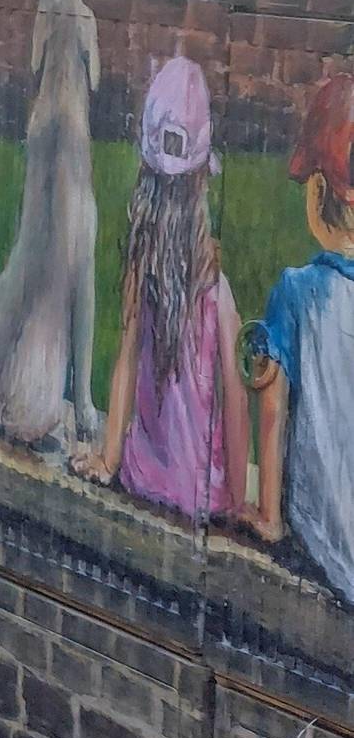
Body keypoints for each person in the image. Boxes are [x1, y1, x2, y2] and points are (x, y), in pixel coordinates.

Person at [73, 55, 248, 521]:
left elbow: (126, 360)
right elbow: (234, 391)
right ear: (200, 182)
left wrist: (109, 459)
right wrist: (233, 498)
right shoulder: (215, 286)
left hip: (144, 474)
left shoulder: (141, 261)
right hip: (204, 494)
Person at [246, 71, 354, 604]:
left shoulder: (298, 292)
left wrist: (269, 518)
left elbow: (273, 413)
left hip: (333, 548)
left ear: (317, 190)